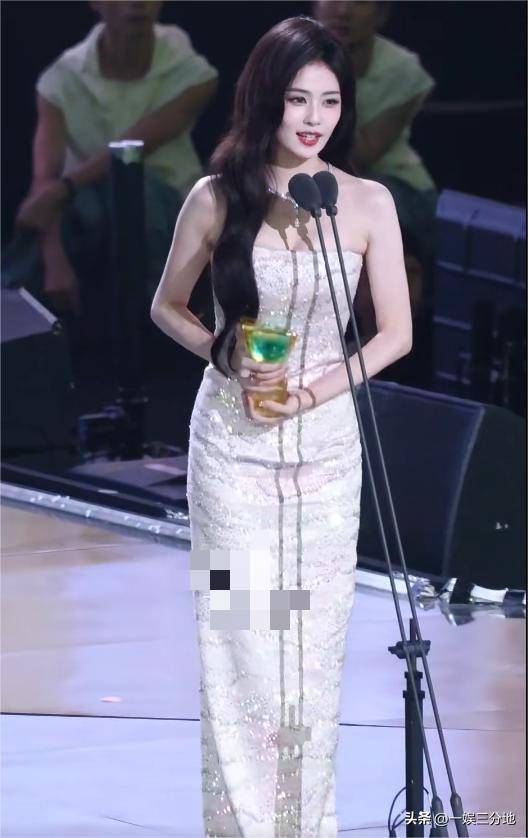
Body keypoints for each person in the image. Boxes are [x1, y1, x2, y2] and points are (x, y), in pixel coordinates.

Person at [151, 15, 412, 836]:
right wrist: (223, 352)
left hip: (327, 459)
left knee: (310, 655)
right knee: (242, 647)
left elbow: (395, 335)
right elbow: (166, 306)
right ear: (267, 96)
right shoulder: (216, 195)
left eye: (329, 101)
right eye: (299, 98)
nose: (313, 118)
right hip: (230, 456)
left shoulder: (364, 203)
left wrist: (315, 392)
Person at [2, 0, 218, 318]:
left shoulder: (190, 72)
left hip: (166, 207)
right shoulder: (61, 79)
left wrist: (63, 188)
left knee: (135, 192)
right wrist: (54, 258)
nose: (137, 3)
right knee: (63, 221)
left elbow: (132, 149)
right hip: (86, 210)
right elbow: (43, 186)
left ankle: (160, 321)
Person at [315, 1, 437, 386]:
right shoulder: (290, 56)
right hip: (314, 179)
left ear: (382, 14)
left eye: (360, 1)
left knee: (364, 218)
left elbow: (357, 155)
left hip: (391, 184)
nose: (343, 11)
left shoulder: (402, 70)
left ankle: (375, 354)